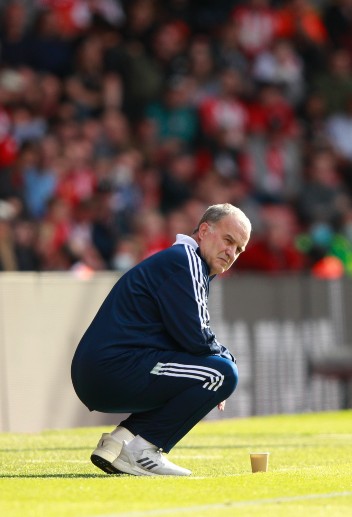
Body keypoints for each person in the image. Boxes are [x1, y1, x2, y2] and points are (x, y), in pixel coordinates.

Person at [71, 203, 252, 475]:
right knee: (222, 373)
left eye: (239, 249)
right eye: (228, 240)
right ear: (204, 230)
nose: (231, 252)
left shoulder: (183, 262)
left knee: (210, 372)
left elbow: (184, 339)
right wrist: (224, 360)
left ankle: (120, 442)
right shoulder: (187, 260)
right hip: (112, 367)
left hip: (101, 370)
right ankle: (142, 451)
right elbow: (197, 337)